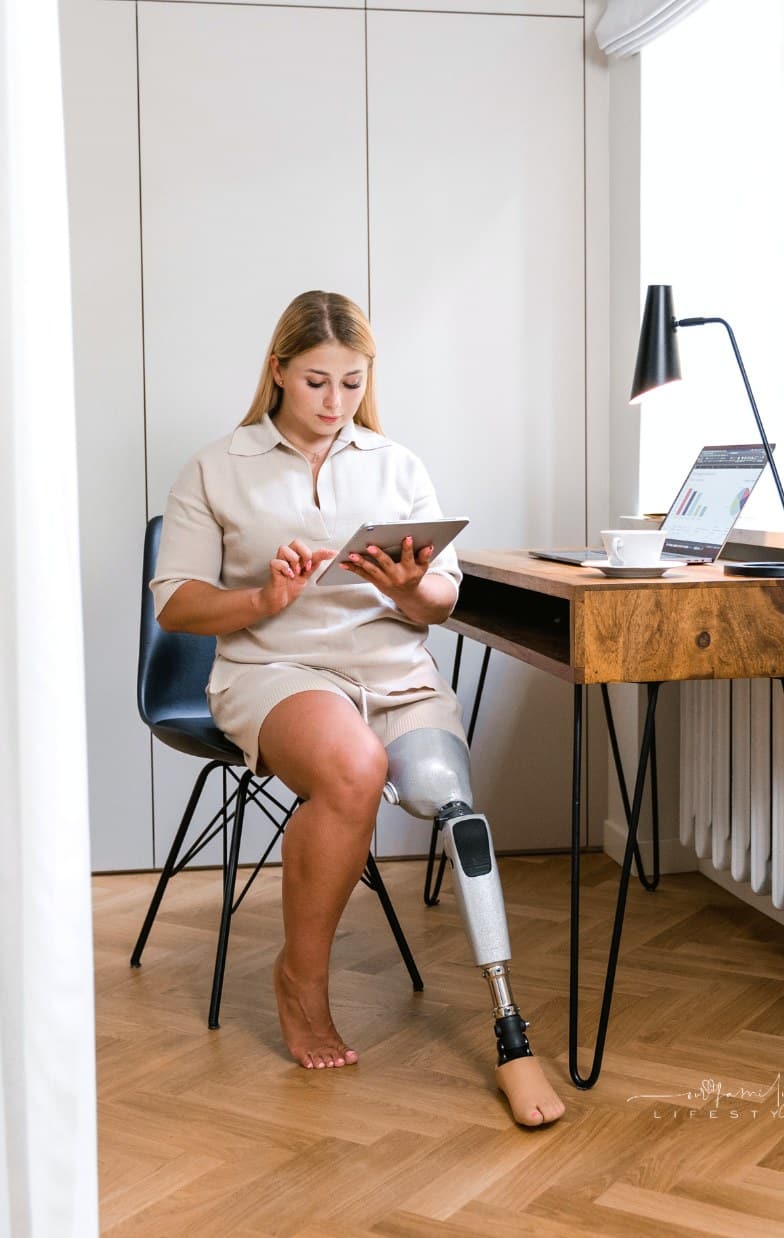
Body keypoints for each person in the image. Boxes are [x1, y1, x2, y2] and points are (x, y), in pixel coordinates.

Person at [150, 291, 565, 1127]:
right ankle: (302, 980)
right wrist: (264, 596)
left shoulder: (394, 464)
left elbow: (442, 598)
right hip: (277, 670)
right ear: (277, 372)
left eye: (350, 382)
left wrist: (415, 589)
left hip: (398, 677)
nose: (333, 403)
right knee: (354, 768)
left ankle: (511, 1032)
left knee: (457, 809)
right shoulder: (216, 466)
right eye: (314, 382)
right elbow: (176, 606)